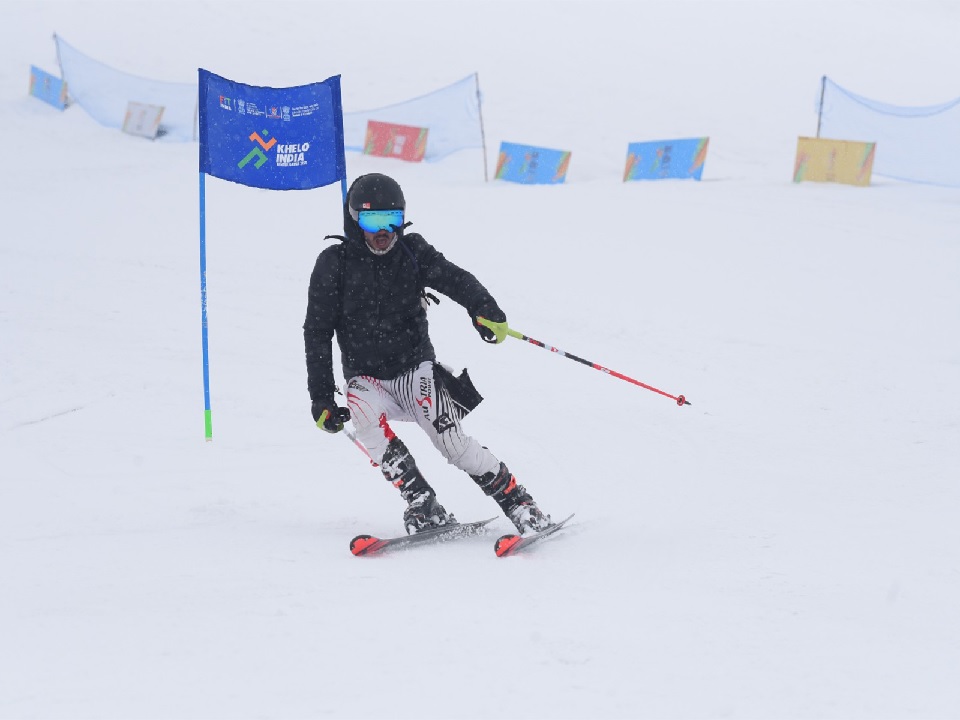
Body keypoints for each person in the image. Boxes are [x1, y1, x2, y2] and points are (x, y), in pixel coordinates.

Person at [303, 173, 552, 536]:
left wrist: (483, 309)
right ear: (354, 220)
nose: (383, 230)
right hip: (365, 376)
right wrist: (322, 396)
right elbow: (317, 332)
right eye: (372, 220)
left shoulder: (412, 252)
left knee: (452, 445)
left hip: (414, 369)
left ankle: (520, 504)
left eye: (392, 219)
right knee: (363, 416)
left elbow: (455, 279)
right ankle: (423, 502)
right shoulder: (334, 263)